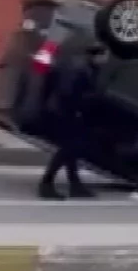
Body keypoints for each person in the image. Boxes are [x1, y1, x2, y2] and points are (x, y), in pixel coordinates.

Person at [38, 43, 104, 200]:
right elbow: (68, 92)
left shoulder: (81, 66)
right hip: (67, 113)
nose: (105, 60)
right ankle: (46, 184)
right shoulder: (81, 69)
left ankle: (75, 185)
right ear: (97, 56)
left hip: (65, 111)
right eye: (104, 56)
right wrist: (78, 110)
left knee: (72, 150)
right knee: (67, 150)